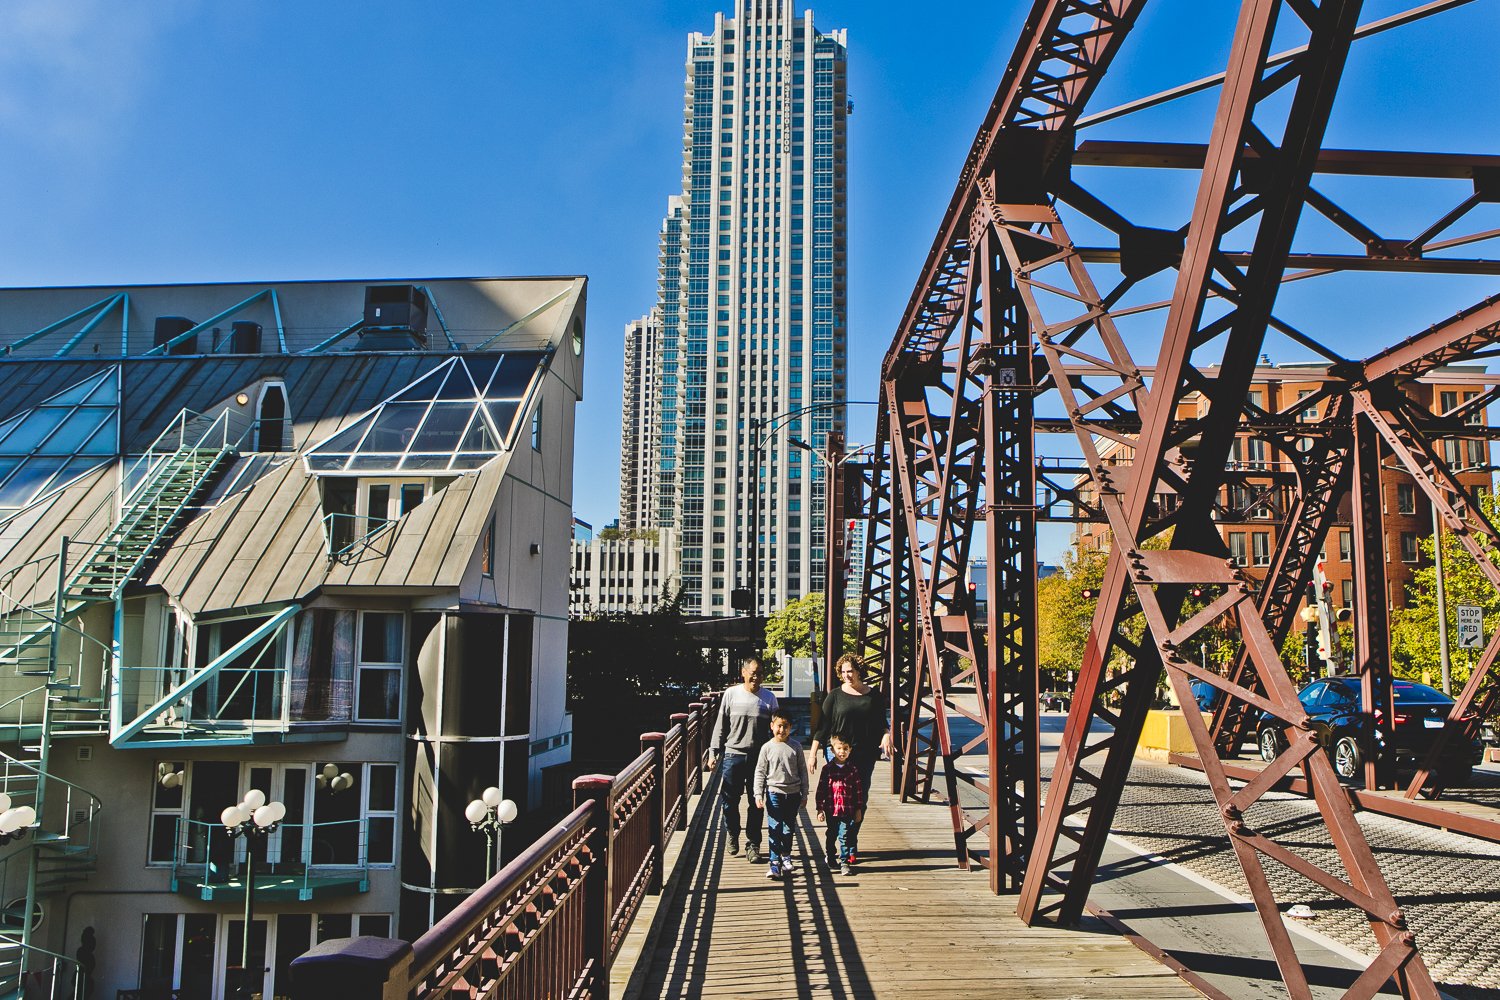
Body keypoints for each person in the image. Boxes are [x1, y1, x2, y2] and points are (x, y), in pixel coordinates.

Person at [809, 653, 892, 866]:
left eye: (851, 671)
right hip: (837, 752)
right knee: (836, 798)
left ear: (859, 671)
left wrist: (886, 735)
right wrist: (813, 753)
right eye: (844, 672)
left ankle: (850, 842)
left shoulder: (873, 696)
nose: (847, 675)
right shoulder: (835, 695)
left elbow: (882, 722)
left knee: (859, 799)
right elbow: (823, 727)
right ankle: (834, 842)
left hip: (864, 753)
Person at [711, 657, 778, 864]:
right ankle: (732, 832)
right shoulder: (731, 694)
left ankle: (753, 844)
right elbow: (721, 724)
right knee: (730, 801)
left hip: (759, 757)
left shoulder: (769, 698)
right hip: (733, 754)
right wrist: (714, 751)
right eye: (753, 673)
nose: (756, 677)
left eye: (760, 674)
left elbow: (777, 729)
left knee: (756, 802)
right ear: (744, 672)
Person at [754, 709, 808, 879]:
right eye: (778, 726)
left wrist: (804, 793)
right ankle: (774, 862)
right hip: (773, 793)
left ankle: (786, 855)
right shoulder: (767, 748)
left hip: (792, 794)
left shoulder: (796, 747)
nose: (781, 730)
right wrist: (758, 794)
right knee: (774, 827)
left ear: (791, 727)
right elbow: (760, 772)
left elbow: (803, 771)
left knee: (788, 828)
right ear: (772, 726)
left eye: (785, 727)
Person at [815, 733, 864, 875]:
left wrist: (858, 809)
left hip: (847, 810)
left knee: (845, 836)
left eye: (845, 748)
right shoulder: (827, 769)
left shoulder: (853, 770)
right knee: (831, 835)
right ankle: (831, 857)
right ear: (832, 750)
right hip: (831, 809)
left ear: (850, 750)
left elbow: (858, 791)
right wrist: (820, 809)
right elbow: (821, 790)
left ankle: (844, 862)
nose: (842, 752)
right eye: (839, 748)